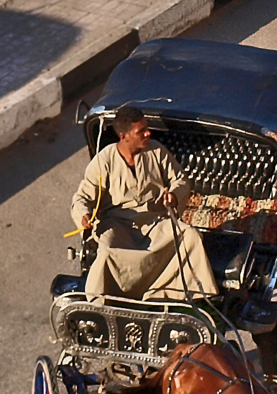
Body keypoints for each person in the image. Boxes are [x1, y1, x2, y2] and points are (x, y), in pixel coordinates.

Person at [71, 106, 220, 301]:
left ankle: (185, 295)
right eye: (141, 131)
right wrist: (83, 215)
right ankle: (102, 302)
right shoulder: (103, 161)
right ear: (124, 136)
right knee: (107, 253)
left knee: (190, 237)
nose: (148, 133)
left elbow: (181, 180)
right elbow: (82, 198)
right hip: (118, 225)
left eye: (147, 128)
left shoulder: (156, 151)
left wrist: (174, 195)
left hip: (154, 223)